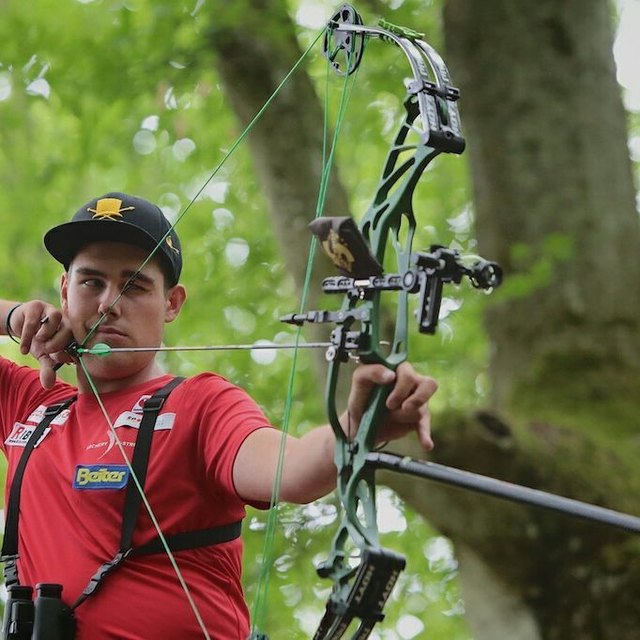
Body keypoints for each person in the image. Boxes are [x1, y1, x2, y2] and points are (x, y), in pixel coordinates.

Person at [0, 192, 437, 639]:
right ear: (63, 292)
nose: (109, 303)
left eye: (134, 286)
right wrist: (13, 316)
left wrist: (357, 426)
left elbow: (291, 470)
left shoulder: (200, 405)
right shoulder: (31, 403)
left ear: (172, 303)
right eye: (90, 282)